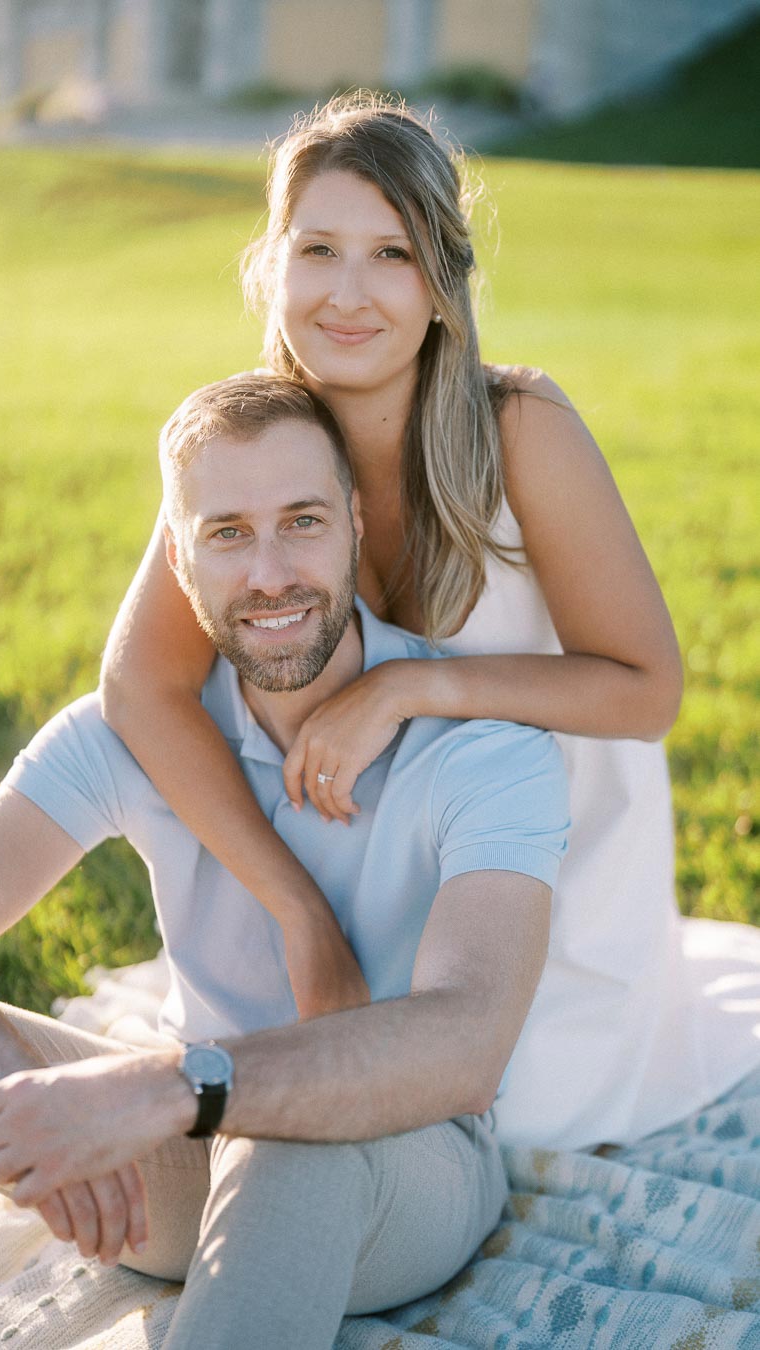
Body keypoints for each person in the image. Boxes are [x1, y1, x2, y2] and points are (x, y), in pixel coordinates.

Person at [100, 93, 760, 1151]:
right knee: (292, 1089)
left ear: (444, 283)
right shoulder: (256, 438)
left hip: (543, 883)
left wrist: (409, 686)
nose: (350, 294)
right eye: (318, 248)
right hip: (361, 871)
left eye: (393, 254)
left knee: (474, 1116)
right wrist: (297, 912)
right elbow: (139, 685)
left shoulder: (520, 429)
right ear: (270, 268)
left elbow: (648, 690)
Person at [0, 375, 570, 1349]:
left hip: (404, 1174)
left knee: (294, 1132)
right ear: (179, 559)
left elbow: (467, 1041)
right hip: (179, 1161)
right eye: (227, 533)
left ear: (357, 523)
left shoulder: (483, 747)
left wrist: (165, 1085)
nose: (270, 572)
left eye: (302, 522)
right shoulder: (142, 734)